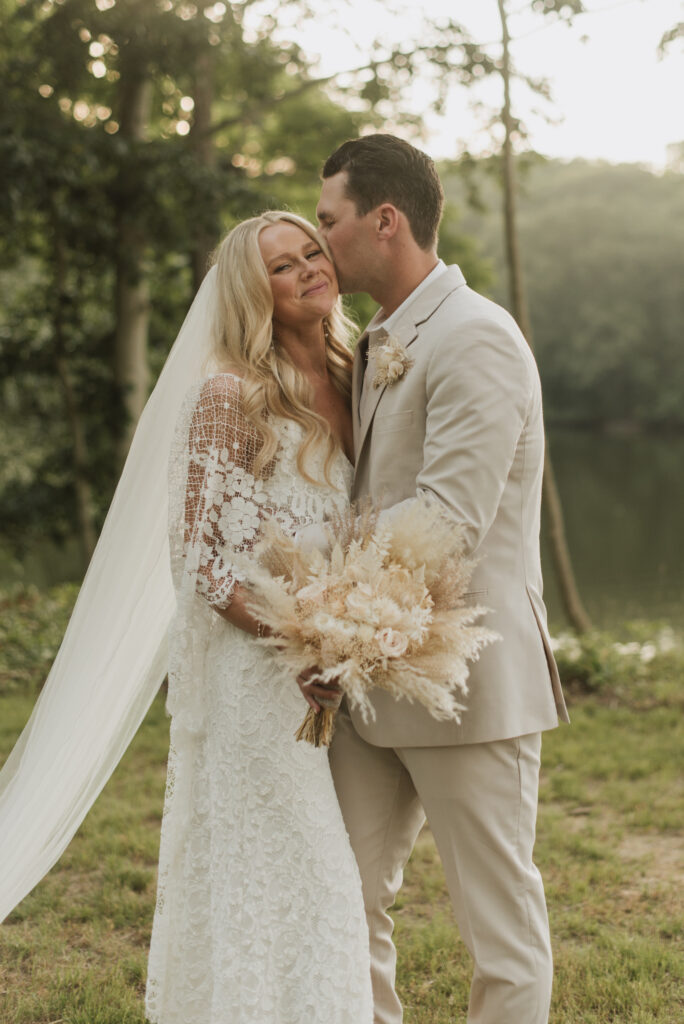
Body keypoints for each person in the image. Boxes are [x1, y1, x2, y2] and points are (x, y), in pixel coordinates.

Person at [0, 211, 372, 1024]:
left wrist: (352, 636)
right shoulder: (228, 395)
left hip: (330, 677)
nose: (309, 267)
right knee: (299, 874)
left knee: (313, 880)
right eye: (283, 265)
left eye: (313, 250)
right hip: (257, 680)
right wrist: (300, 643)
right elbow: (201, 562)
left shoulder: (357, 376)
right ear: (252, 292)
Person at [312, 134, 570, 1024]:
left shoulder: (477, 338)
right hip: (370, 680)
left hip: (469, 681)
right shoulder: (379, 337)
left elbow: (448, 521)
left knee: (497, 924)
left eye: (328, 221)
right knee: (339, 897)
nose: (319, 242)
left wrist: (316, 582)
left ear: (385, 222)